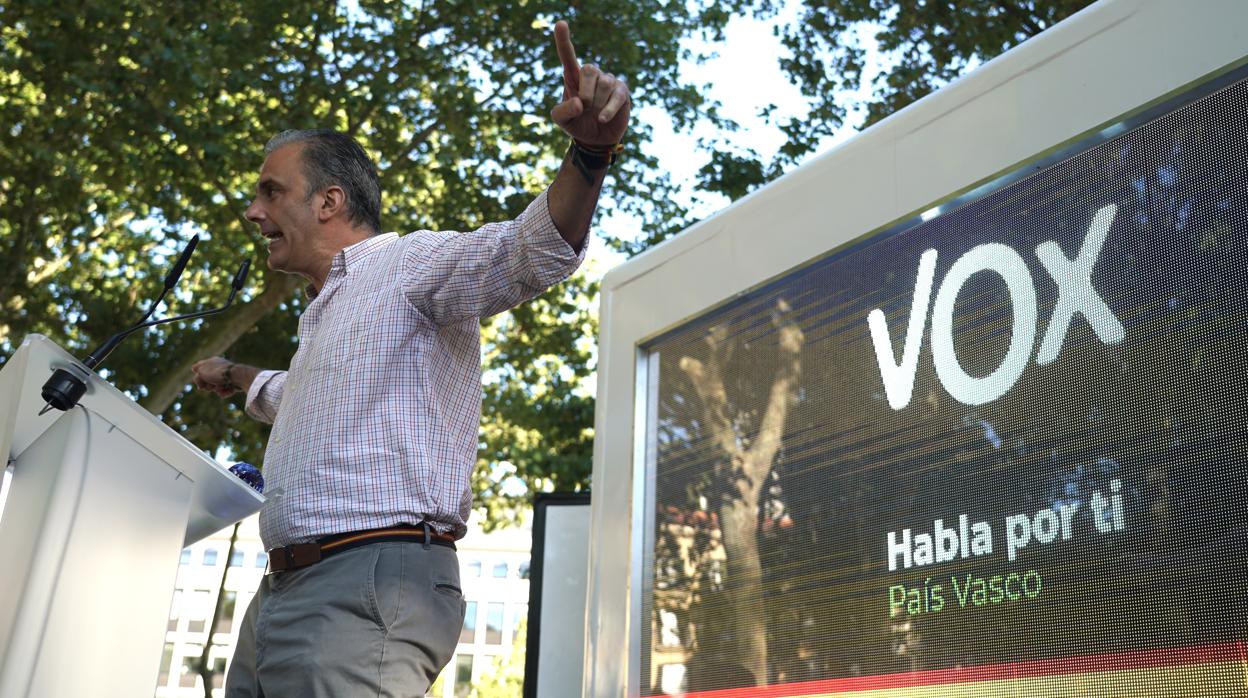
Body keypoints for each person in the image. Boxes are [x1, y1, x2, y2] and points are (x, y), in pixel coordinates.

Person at [189, 20, 628, 697]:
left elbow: (525, 253)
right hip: (280, 596)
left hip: (364, 586)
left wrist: (589, 156)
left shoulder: (405, 263)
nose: (252, 212)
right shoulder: (324, 315)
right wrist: (234, 375)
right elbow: (293, 395)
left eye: (270, 191)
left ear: (329, 202)